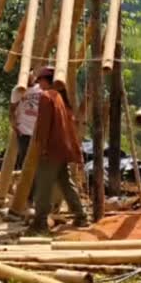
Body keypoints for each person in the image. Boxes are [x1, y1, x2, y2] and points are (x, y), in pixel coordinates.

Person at [27, 65, 88, 233]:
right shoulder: (60, 97)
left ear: (46, 80)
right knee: (65, 183)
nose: (39, 84)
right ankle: (81, 216)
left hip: (51, 149)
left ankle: (40, 223)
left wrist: (43, 148)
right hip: (62, 148)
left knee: (43, 186)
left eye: (40, 80)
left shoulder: (47, 97)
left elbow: (44, 126)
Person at [9, 70, 41, 169]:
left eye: (31, 75)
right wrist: (14, 125)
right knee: (24, 157)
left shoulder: (41, 89)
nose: (30, 77)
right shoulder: (17, 90)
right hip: (24, 129)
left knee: (39, 158)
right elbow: (12, 109)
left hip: (39, 129)